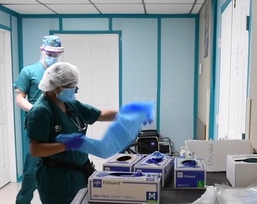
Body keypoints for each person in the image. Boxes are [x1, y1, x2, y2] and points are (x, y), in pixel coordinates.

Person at [26, 62, 153, 204]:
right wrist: (66, 145)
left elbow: (101, 114)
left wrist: (129, 113)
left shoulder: (71, 105)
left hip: (79, 174)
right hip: (57, 180)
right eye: (70, 86)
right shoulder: (41, 112)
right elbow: (36, 149)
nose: (75, 90)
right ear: (55, 87)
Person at [13, 35, 64, 204]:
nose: (53, 57)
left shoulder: (63, 73)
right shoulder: (29, 71)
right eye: (50, 53)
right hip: (37, 127)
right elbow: (19, 98)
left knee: (59, 170)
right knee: (31, 172)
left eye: (56, 54)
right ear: (42, 50)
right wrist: (36, 110)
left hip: (59, 126)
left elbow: (69, 97)